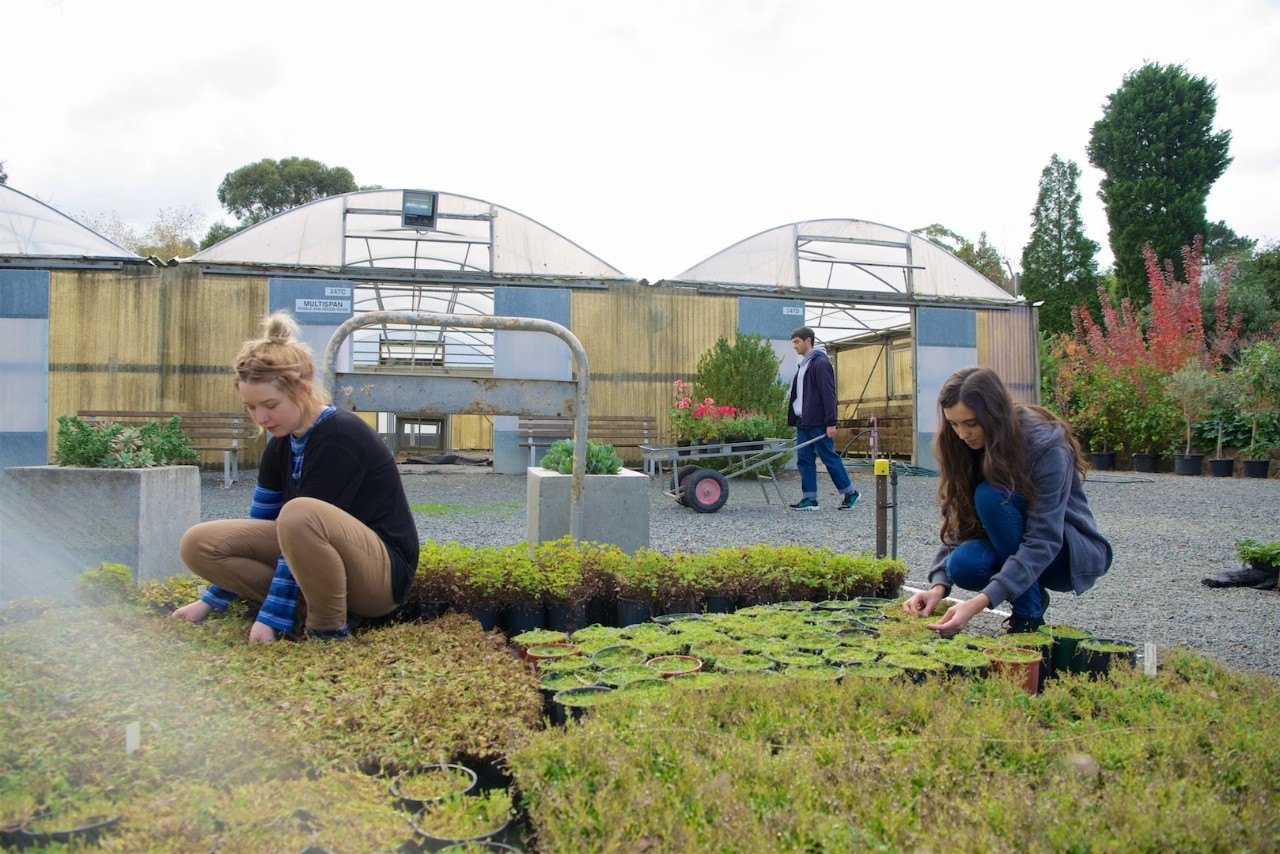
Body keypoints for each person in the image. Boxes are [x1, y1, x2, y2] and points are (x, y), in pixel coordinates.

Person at [172, 311, 419, 642]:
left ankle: (327, 629)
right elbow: (259, 526)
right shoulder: (281, 442)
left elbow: (297, 527)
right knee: (200, 544)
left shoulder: (341, 437)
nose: (261, 417)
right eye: (251, 407)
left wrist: (270, 619)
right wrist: (210, 601)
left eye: (270, 404)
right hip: (321, 562)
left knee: (300, 513)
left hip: (380, 577)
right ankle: (300, 608)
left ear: (302, 389)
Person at [903, 366, 1112, 635]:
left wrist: (980, 602)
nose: (962, 434)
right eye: (954, 424)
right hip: (1020, 548)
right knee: (963, 565)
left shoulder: (1045, 443)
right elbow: (960, 519)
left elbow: (1043, 539)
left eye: (971, 423)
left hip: (1063, 554)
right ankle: (1030, 592)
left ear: (994, 414)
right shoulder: (961, 444)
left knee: (991, 496)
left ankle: (1028, 616)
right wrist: (938, 586)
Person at [786, 326, 859, 511]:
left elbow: (828, 394)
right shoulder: (804, 364)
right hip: (803, 421)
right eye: (793, 342)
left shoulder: (820, 363)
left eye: (797, 342)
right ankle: (810, 498)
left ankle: (850, 492)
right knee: (804, 458)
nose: (794, 346)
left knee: (828, 457)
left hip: (818, 421)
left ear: (808, 340)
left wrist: (831, 422)